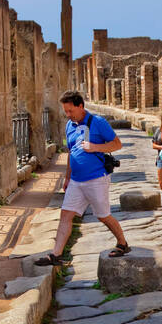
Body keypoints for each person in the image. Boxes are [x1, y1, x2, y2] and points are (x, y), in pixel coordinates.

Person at [35, 91, 130, 266]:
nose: (68, 114)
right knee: (66, 215)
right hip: (76, 181)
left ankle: (123, 243)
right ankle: (56, 255)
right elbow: (71, 153)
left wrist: (95, 147)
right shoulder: (69, 126)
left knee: (103, 216)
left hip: (96, 179)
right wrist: (67, 177)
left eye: (70, 110)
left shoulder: (98, 123)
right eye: (65, 111)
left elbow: (117, 144)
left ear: (81, 106)